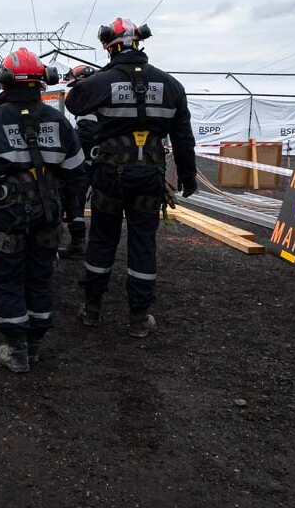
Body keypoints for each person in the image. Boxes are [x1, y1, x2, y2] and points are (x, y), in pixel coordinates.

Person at [64, 19, 196, 338]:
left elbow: (74, 101)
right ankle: (139, 317)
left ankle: (92, 309)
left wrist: (101, 81)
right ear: (139, 43)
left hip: (110, 175)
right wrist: (188, 175)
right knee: (143, 243)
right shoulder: (171, 86)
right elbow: (183, 136)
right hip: (150, 176)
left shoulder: (103, 81)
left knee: (103, 240)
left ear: (109, 47)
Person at [0, 48, 85, 373]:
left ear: (3, 82)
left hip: (6, 219)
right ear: (43, 82)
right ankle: (35, 345)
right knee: (41, 278)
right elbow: (76, 175)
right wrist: (75, 217)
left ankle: (16, 351)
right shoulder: (59, 122)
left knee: (10, 278)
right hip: (48, 216)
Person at [60, 65, 99, 258]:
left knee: (74, 198)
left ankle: (78, 243)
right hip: (102, 162)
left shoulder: (89, 108)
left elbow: (86, 136)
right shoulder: (101, 101)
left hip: (88, 163)